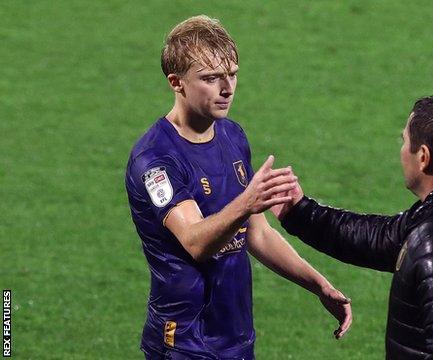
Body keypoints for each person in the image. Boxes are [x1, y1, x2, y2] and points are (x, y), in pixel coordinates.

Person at [125, 15, 351, 360]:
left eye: (232, 74)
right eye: (211, 78)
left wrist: (318, 284)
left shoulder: (232, 135)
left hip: (236, 335)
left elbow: (255, 233)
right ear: (177, 82)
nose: (227, 88)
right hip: (184, 341)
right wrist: (248, 203)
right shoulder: (156, 160)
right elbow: (195, 241)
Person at [273, 95, 433, 359]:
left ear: (423, 157)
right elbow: (381, 239)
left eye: (405, 141)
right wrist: (299, 211)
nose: (401, 151)